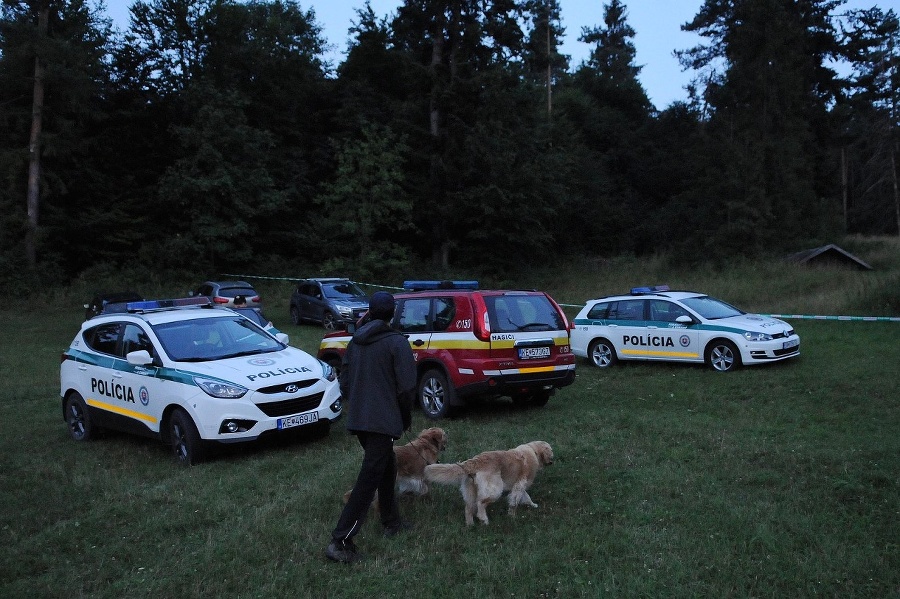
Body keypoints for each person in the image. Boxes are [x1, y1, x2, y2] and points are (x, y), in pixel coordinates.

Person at [325, 291, 417, 564]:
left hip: (361, 420)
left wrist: (360, 404)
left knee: (387, 466)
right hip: (382, 422)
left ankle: (391, 522)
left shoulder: (356, 341)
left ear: (370, 312)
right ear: (393, 314)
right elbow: (407, 387)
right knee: (369, 478)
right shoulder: (397, 343)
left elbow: (345, 381)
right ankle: (340, 540)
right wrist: (403, 416)